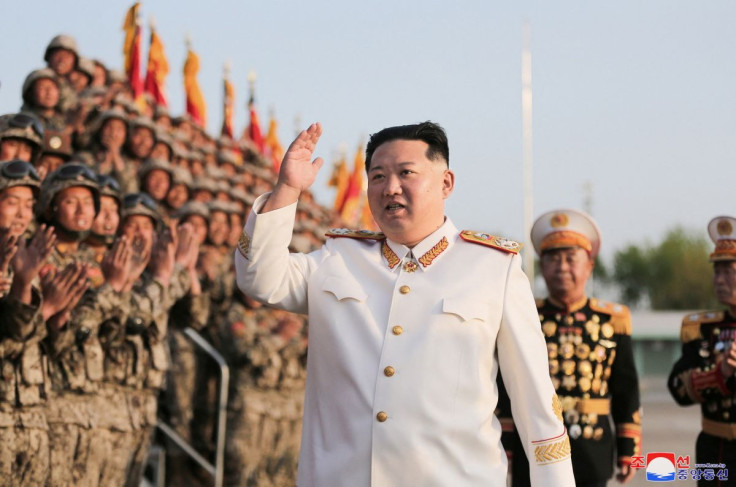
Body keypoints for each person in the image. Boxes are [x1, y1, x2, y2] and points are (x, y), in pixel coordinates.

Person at [234, 121, 574, 486]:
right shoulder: (337, 258)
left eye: (405, 173)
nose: (390, 187)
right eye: (377, 176)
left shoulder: (494, 268)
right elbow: (258, 278)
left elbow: (538, 408)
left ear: (446, 183)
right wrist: (287, 189)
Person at [500, 209, 642, 487]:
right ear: (542, 267)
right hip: (534, 443)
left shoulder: (613, 320)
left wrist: (629, 451)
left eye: (570, 258)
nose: (562, 267)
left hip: (593, 445)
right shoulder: (525, 316)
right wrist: (504, 444)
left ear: (589, 265)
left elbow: (626, 389)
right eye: (553, 259)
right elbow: (506, 385)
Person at [668, 215, 736, 486]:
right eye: (716, 271)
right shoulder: (704, 329)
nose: (719, 279)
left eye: (728, 270)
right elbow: (678, 388)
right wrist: (721, 373)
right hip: (715, 452)